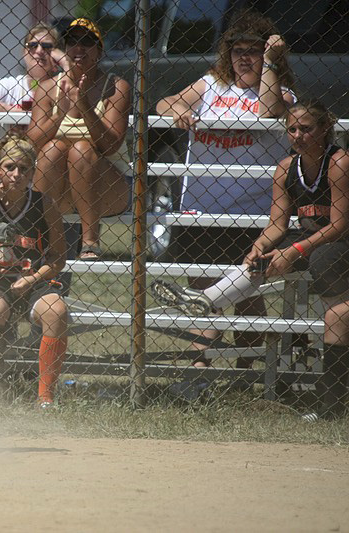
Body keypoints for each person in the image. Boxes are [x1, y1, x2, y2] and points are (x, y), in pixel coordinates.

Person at [150, 100, 349, 420]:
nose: (298, 135)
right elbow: (277, 225)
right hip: (310, 239)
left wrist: (294, 252)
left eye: (307, 128)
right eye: (292, 129)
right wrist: (260, 246)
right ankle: (205, 300)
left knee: (330, 291)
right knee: (263, 260)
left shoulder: (339, 163)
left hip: (339, 242)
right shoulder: (286, 167)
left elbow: (340, 226)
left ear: (325, 128)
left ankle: (332, 407)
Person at [155, 10, 296, 367]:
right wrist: (177, 110)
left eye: (254, 50)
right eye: (237, 50)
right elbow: (164, 102)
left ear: (268, 54)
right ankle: (199, 368)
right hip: (200, 208)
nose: (244, 58)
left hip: (251, 213)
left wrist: (270, 63)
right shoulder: (212, 84)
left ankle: (248, 368)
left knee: (246, 293)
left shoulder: (282, 92)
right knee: (201, 291)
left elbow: (267, 112)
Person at [0, 132, 68, 407]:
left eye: (24, 169)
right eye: (10, 167)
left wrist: (33, 278)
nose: (16, 174)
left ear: (32, 172)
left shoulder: (43, 203)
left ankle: (45, 397)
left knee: (56, 310)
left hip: (33, 279)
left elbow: (59, 257)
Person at [27, 17, 131, 260]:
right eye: (72, 42)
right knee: (53, 148)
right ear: (64, 49)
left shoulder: (116, 87)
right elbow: (31, 144)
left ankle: (90, 241)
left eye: (87, 42)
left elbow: (109, 145)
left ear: (99, 50)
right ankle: (37, 238)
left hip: (107, 189)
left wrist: (84, 105)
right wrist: (60, 114)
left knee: (82, 150)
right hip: (60, 189)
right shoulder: (47, 88)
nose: (79, 49)